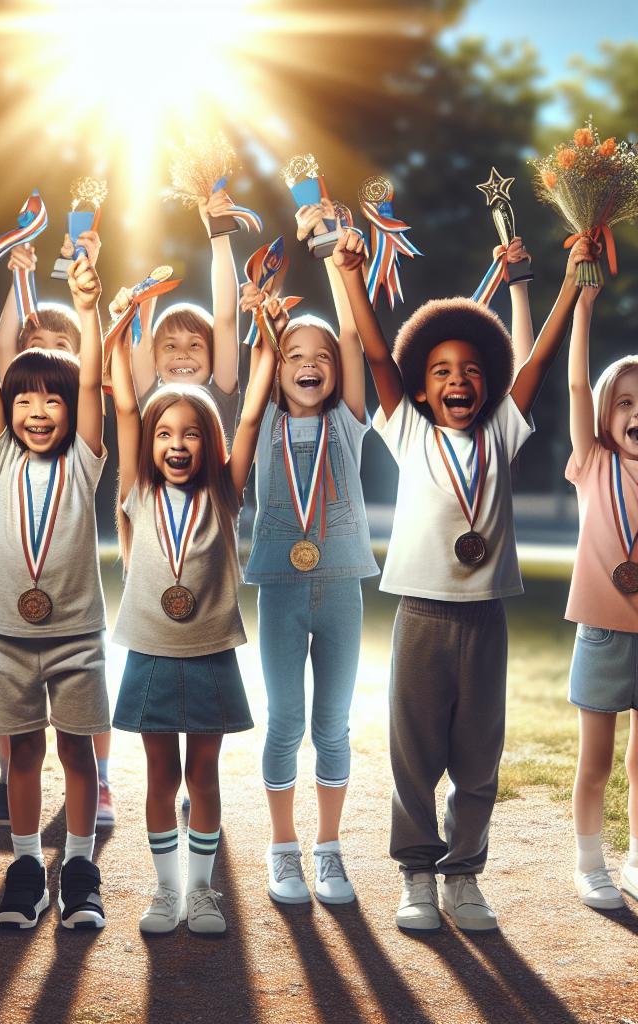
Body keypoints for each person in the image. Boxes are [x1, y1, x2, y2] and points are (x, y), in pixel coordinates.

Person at [336, 227, 591, 932]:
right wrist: (352, 277)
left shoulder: (503, 430)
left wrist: (561, 278)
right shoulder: (406, 428)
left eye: (473, 370)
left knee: (480, 759)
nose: (458, 380)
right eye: (443, 370)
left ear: (491, 383)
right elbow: (379, 352)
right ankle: (416, 874)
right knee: (414, 757)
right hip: (420, 614)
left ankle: (464, 876)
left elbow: (537, 354)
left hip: (485, 619)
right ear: (423, 386)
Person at [108, 300, 277, 935]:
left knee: (201, 775)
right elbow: (126, 409)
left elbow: (253, 416)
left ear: (208, 442)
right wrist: (119, 339)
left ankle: (202, 892)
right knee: (160, 775)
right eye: (164, 434)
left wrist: (266, 349)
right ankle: (165, 890)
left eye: (191, 434)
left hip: (210, 654)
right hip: (150, 654)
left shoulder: (224, 494)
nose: (176, 445)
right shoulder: (138, 493)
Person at [0, 246, 109, 930]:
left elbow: (97, 382)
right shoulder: (1, 457)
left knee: (77, 751)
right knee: (22, 752)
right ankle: (25, 865)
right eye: (26, 399)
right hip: (12, 637)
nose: (38, 411)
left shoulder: (84, 460)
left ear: (73, 411)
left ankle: (78, 866)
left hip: (76, 636)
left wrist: (86, 309)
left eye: (53, 399)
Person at [242, 204, 377, 907]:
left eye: (319, 358)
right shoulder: (260, 423)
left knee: (333, 724)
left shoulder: (347, 425)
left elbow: (352, 336)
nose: (310, 365)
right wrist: (265, 325)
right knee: (285, 721)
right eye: (295, 356)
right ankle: (282, 847)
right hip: (280, 593)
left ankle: (328, 849)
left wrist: (335, 257)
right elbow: (262, 356)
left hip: (342, 587)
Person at [562, 283, 638, 910]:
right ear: (608, 415)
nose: (636, 413)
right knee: (599, 761)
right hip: (603, 630)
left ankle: (637, 860)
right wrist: (582, 310)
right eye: (626, 403)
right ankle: (590, 864)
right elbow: (576, 388)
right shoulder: (592, 461)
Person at [129, 188, 241, 444]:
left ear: (215, 354)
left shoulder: (220, 397)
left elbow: (225, 319)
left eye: (195, 344)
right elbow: (141, 334)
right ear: (153, 357)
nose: (183, 353)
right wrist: (146, 292)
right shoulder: (150, 399)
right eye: (169, 345)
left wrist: (218, 233)